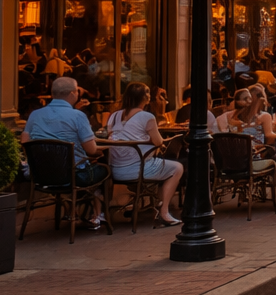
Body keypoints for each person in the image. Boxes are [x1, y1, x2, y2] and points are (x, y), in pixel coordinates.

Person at [23, 76, 110, 229]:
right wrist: (105, 149)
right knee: (105, 168)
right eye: (77, 91)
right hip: (73, 176)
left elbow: (25, 142)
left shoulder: (35, 115)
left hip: (39, 175)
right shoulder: (78, 116)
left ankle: (73, 210)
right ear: (72, 93)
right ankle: (98, 214)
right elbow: (91, 150)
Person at [104, 82, 184, 226]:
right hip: (138, 169)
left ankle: (150, 202)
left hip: (114, 170)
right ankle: (164, 212)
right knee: (177, 168)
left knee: (164, 165)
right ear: (145, 98)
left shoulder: (114, 116)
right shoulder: (146, 117)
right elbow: (159, 142)